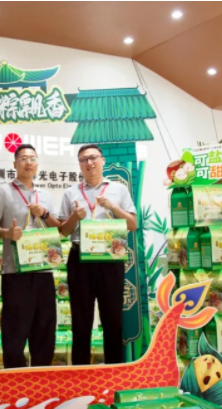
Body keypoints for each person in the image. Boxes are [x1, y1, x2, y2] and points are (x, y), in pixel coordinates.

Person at [59, 144, 137, 365]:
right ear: (79, 164)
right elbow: (63, 231)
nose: (89, 163)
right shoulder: (71, 192)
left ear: (103, 161)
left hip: (110, 260)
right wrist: (75, 217)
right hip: (80, 260)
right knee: (80, 321)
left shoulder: (118, 190)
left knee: (113, 320)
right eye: (84, 159)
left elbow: (132, 225)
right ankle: (81, 375)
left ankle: (114, 373)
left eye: (93, 158)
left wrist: (113, 207)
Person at [0, 144, 61, 368]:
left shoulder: (45, 194)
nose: (28, 162)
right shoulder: (2, 191)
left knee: (45, 331)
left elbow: (57, 229)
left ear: (37, 164)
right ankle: (15, 381)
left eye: (32, 158)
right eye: (23, 158)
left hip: (43, 271)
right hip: (15, 272)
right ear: (14, 164)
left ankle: (42, 380)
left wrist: (45, 214)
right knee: (14, 333)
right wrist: (7, 233)